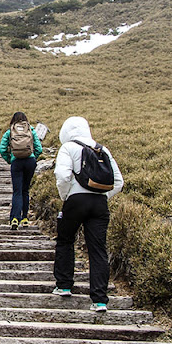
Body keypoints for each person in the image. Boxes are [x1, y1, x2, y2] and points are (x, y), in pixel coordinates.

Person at [52, 116, 123, 312]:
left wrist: (66, 195)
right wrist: (103, 196)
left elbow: (62, 175)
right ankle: (99, 300)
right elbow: (118, 181)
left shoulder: (68, 147)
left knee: (65, 240)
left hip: (75, 201)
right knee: (98, 249)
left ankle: (64, 285)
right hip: (99, 204)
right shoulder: (102, 149)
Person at [0, 112, 43, 230]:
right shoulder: (31, 131)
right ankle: (24, 218)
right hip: (30, 162)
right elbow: (39, 148)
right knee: (25, 190)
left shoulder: (10, 132)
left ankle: (14, 218)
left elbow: (2, 148)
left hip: (16, 162)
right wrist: (33, 157)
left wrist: (10, 159)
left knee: (17, 191)